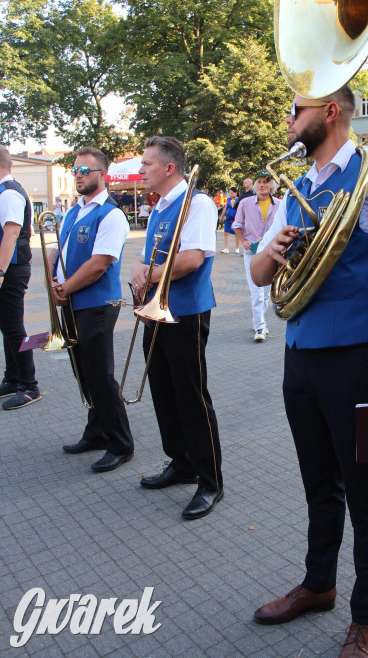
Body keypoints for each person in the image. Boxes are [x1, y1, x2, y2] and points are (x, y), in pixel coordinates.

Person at [250, 87, 368, 658]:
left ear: (329, 113)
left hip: (358, 361)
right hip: (300, 358)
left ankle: (366, 619)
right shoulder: (297, 189)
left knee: (366, 493)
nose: (288, 117)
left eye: (297, 108)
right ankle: (319, 583)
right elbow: (257, 275)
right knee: (317, 485)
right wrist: (271, 250)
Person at [130, 136, 223, 520]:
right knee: (163, 392)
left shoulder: (196, 203)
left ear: (169, 168)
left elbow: (190, 260)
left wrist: (148, 273)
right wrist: (138, 270)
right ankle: (181, 462)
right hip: (157, 311)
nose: (142, 171)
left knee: (191, 396)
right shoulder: (158, 209)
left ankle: (210, 481)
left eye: (148, 164)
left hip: (186, 312)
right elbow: (147, 256)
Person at [47, 147, 133, 472]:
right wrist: (53, 276)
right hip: (72, 302)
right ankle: (96, 431)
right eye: (75, 169)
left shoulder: (111, 214)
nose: (79, 174)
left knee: (101, 375)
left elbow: (98, 264)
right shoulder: (74, 211)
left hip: (96, 304)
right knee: (84, 372)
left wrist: (65, 287)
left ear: (103, 175)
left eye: (86, 169)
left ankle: (121, 443)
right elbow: (60, 249)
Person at [0, 148, 40, 411]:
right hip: (8, 269)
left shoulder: (9, 192)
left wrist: (0, 273)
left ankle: (30, 386)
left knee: (14, 328)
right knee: (7, 326)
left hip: (11, 270)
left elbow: (11, 233)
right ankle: (13, 378)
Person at [232, 171, 281, 342]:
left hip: (271, 252)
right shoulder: (245, 203)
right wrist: (243, 240)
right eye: (259, 182)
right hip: (251, 252)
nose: (262, 185)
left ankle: (259, 320)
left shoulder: (280, 204)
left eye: (266, 182)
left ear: (271, 186)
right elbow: (237, 225)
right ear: (255, 185)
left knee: (267, 291)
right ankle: (260, 326)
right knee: (256, 291)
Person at [220, 187, 240, 253]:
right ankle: (226, 248)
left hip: (235, 217)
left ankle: (237, 248)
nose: (231, 194)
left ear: (236, 192)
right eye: (230, 193)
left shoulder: (239, 200)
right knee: (226, 232)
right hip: (228, 217)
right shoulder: (229, 199)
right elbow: (225, 208)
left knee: (236, 233)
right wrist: (222, 216)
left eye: (232, 193)